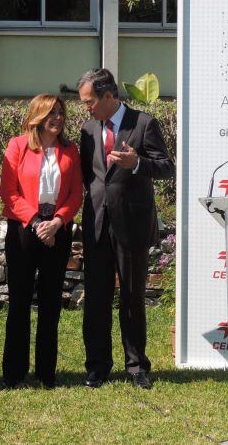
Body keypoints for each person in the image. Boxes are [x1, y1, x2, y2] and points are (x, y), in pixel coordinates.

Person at [77, 69, 174, 390]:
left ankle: (136, 366)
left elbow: (165, 167)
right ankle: (97, 366)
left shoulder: (143, 123)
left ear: (108, 96)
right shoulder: (88, 129)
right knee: (96, 298)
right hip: (96, 224)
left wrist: (138, 164)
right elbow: (89, 177)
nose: (86, 108)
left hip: (131, 223)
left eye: (90, 101)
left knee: (131, 297)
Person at [0, 94, 82, 389]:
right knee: (19, 303)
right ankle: (14, 373)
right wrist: (36, 223)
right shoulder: (17, 146)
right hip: (24, 229)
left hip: (57, 231)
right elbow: (9, 193)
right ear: (38, 115)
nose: (57, 117)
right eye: (51, 113)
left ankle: (47, 373)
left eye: (61, 112)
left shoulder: (70, 150)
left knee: (51, 305)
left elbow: (75, 194)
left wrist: (58, 222)